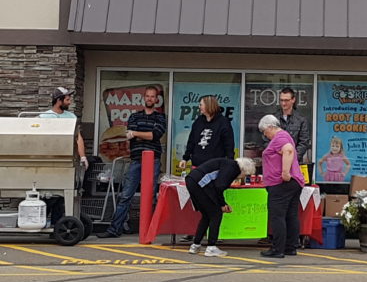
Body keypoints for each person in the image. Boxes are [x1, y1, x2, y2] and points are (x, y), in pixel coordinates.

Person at [96, 86, 166, 239]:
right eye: (147, 96)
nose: (149, 99)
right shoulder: (134, 116)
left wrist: (136, 133)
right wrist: (141, 134)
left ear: (156, 99)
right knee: (126, 195)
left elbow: (155, 135)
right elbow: (130, 134)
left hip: (153, 160)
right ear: (144, 98)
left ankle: (149, 231)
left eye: (152, 96)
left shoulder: (160, 117)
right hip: (136, 160)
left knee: (150, 196)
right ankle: (114, 229)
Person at [177, 95, 235, 242]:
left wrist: (229, 165)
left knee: (214, 200)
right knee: (197, 200)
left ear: (209, 105)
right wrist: (185, 157)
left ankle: (214, 234)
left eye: (201, 104)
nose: (199, 107)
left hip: (214, 168)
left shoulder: (223, 123)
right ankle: (193, 232)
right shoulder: (198, 122)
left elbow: (229, 145)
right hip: (198, 166)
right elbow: (191, 141)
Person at [185, 156, 256, 257]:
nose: (243, 177)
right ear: (244, 169)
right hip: (201, 183)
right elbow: (219, 186)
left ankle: (195, 245)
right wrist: (222, 204)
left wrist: (223, 203)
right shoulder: (233, 168)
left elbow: (216, 186)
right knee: (216, 214)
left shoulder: (227, 164)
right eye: (246, 174)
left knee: (206, 215)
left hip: (193, 180)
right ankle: (211, 247)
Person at [258, 114, 305, 258]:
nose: (265, 135)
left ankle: (278, 249)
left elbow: (288, 150)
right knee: (291, 215)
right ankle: (290, 247)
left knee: (277, 216)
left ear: (270, 127)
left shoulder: (280, 138)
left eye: (264, 131)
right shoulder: (285, 136)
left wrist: (285, 172)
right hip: (293, 183)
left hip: (281, 184)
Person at [40, 87, 88, 169]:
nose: (69, 102)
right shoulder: (44, 117)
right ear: (59, 100)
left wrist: (83, 157)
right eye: (67, 100)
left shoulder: (71, 117)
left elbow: (78, 138)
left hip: (68, 158)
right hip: (48, 158)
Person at [276, 88, 310, 163]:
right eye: (281, 100)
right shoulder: (274, 118)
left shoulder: (301, 119)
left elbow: (304, 142)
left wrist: (292, 158)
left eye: (286, 100)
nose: (283, 103)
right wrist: (276, 156)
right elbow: (267, 141)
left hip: (295, 162)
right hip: (276, 161)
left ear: (293, 100)